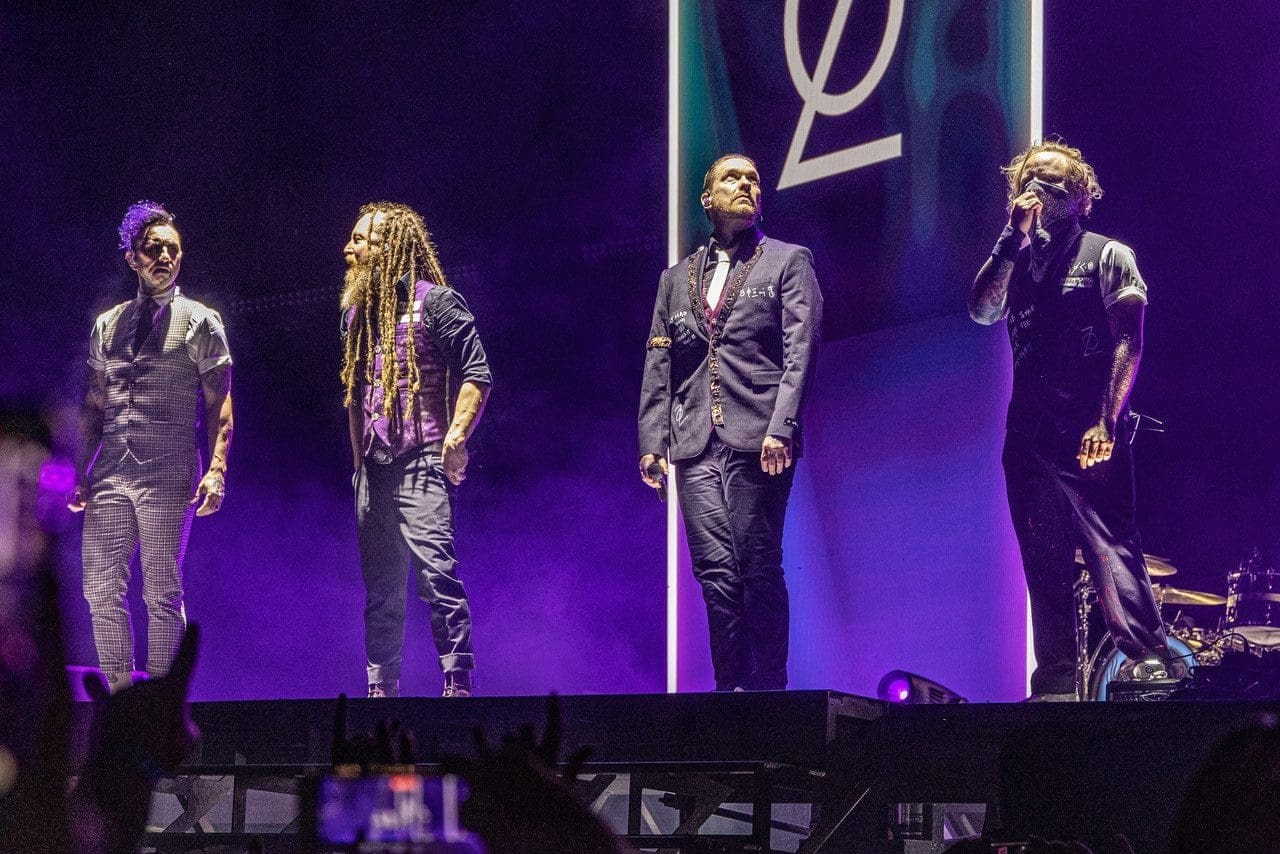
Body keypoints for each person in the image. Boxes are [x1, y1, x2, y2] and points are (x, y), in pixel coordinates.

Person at [968, 140, 1183, 701]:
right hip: (1027, 438)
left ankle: (1149, 660)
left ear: (1082, 196)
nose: (1040, 187)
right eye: (1030, 179)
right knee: (1042, 560)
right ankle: (1057, 683)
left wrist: (1106, 420)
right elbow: (981, 309)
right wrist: (1010, 238)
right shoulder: (1014, 262)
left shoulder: (1107, 254)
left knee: (1110, 548)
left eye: (1055, 181)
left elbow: (1128, 340)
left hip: (1088, 432)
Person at [638, 154, 822, 691]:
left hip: (760, 434)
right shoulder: (675, 279)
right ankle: (730, 691)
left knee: (757, 561)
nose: (745, 184)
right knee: (714, 572)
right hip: (693, 439)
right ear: (707, 198)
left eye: (753, 179)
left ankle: (769, 690)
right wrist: (652, 440)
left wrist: (783, 426)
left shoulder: (787, 260)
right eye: (731, 178)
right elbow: (659, 359)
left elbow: (801, 349)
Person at [69, 201, 233, 692]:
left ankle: (162, 701)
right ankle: (121, 695)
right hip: (112, 470)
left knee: (161, 589)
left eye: (172, 249)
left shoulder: (201, 321)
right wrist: (79, 470)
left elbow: (220, 402)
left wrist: (217, 469)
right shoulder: (108, 324)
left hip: (169, 467)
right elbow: (95, 406)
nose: (165, 257)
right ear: (132, 257)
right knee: (100, 587)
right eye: (153, 248)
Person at [340, 202, 491, 698]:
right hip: (375, 467)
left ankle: (458, 682)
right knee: (381, 587)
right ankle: (380, 689)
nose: (348, 249)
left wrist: (455, 439)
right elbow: (355, 392)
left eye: (360, 240)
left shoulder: (437, 302)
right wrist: (358, 465)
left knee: (436, 573)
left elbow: (477, 373)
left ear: (389, 248)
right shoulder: (356, 315)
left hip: (422, 456)